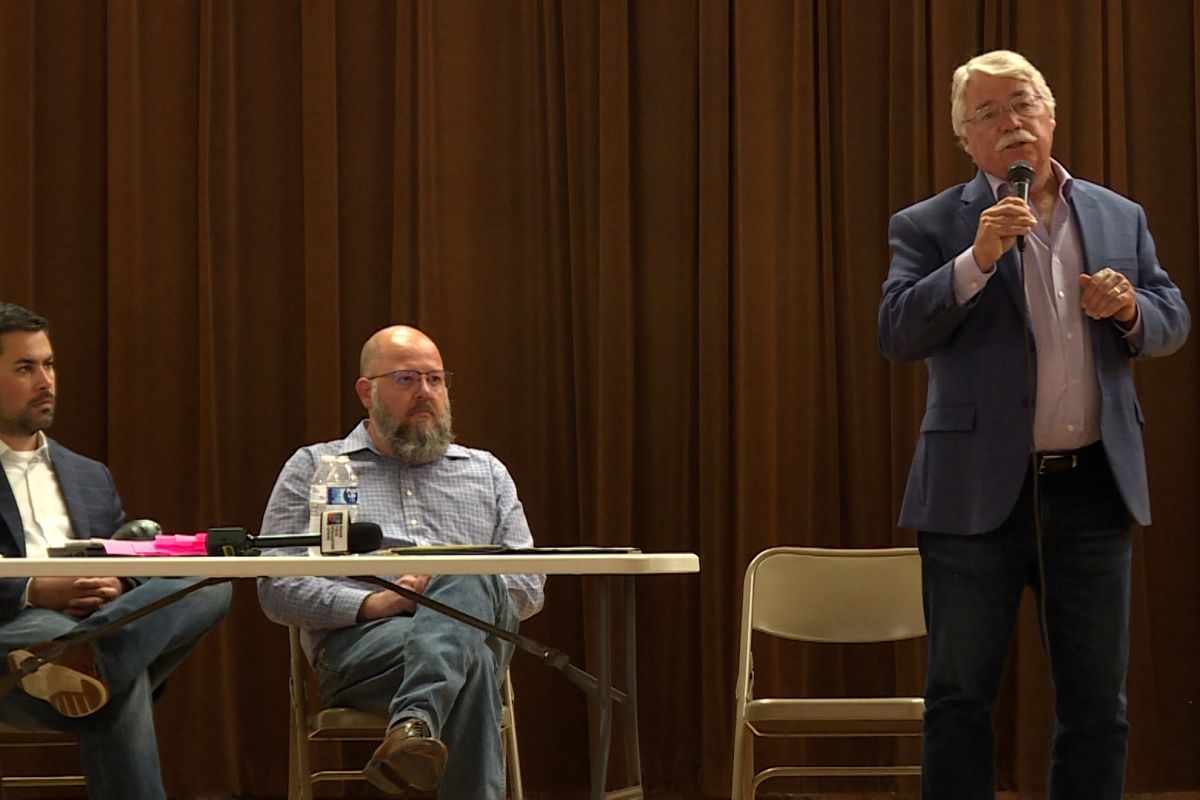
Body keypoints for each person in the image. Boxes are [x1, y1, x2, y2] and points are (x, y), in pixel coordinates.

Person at [878, 50, 1191, 799]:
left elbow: (1171, 318)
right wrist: (975, 260)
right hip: (971, 498)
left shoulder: (1120, 215)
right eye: (987, 114)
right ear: (967, 140)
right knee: (959, 700)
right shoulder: (928, 225)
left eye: (1022, 105)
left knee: (1096, 707)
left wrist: (1129, 310)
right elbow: (895, 331)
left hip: (1090, 491)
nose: (1010, 123)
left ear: (1049, 116)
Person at [257, 324, 544, 799]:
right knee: (468, 658)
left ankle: (413, 723)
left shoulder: (486, 472)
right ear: (366, 391)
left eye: (435, 379)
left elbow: (529, 587)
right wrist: (382, 602)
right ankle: (417, 719)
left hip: (473, 641)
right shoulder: (316, 467)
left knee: (464, 574)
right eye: (407, 380)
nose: (426, 393)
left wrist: (447, 592)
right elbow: (276, 586)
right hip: (362, 652)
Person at [0, 301, 233, 799]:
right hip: (18, 630)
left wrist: (120, 583)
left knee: (212, 581)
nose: (45, 380)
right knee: (118, 684)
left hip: (95, 621)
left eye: (49, 364)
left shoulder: (89, 474)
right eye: (25, 368)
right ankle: (94, 661)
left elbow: (120, 557)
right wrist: (36, 590)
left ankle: (91, 660)